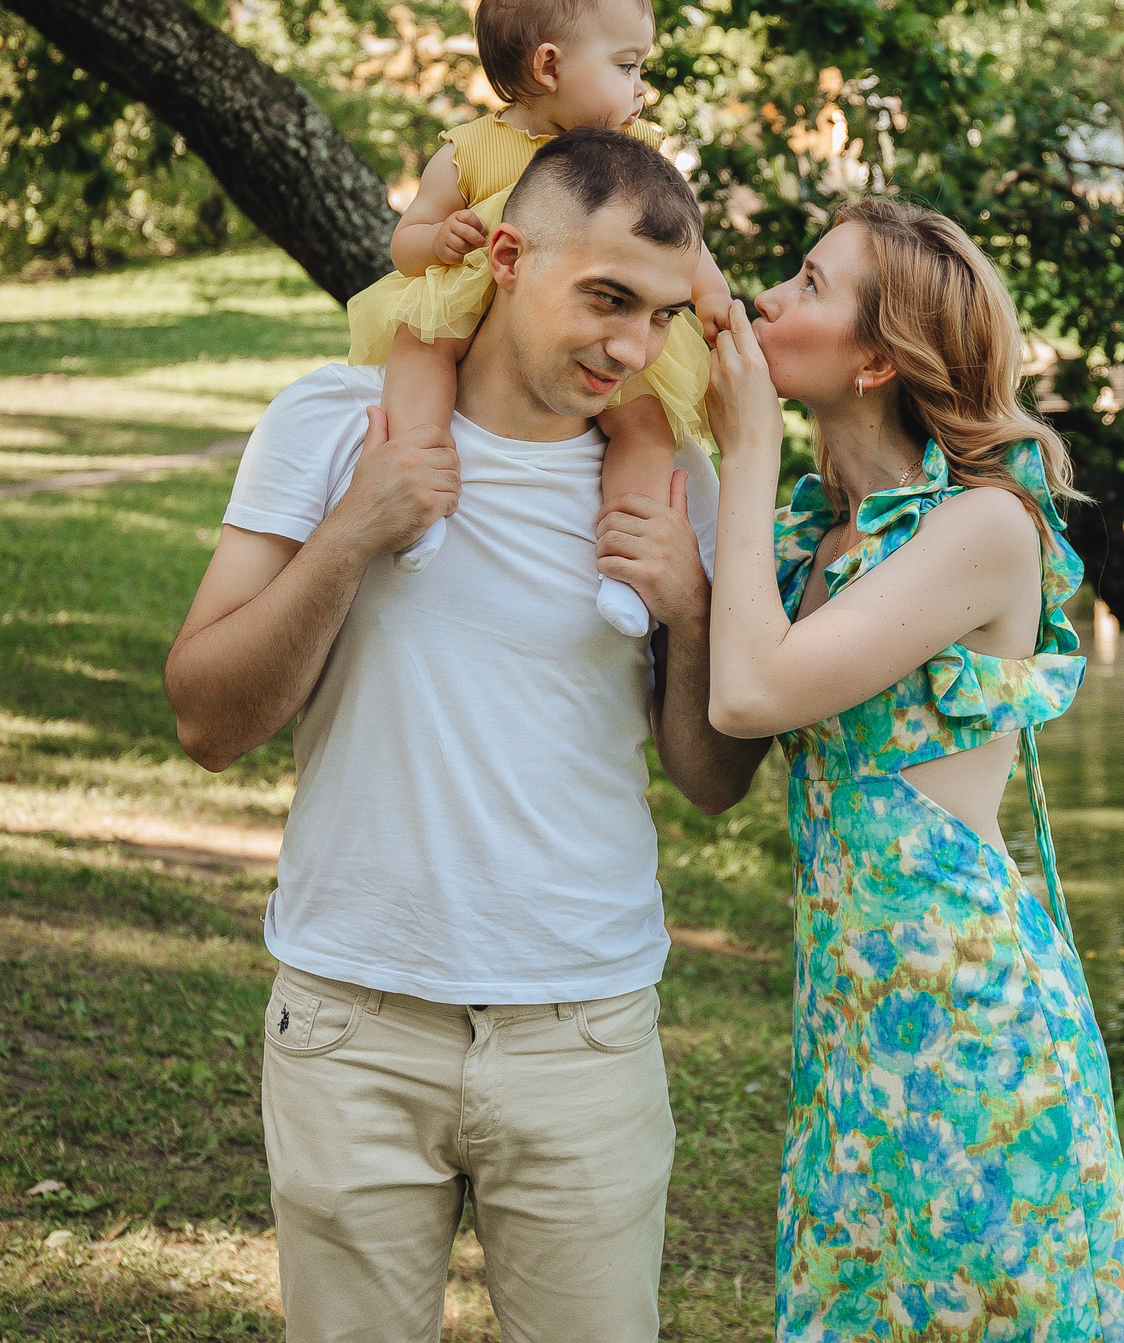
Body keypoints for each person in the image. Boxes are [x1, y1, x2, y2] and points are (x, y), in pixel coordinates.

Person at [163, 128, 768, 1343]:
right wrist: (354, 531)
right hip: (352, 1020)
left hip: (585, 1027)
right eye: (605, 298)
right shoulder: (333, 427)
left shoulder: (672, 487)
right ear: (501, 255)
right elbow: (207, 716)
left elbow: (708, 781)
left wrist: (691, 614)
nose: (630, 349)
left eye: (658, 316)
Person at [701, 197, 1124, 1340]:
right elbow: (715, 755)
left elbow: (751, 692)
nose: (771, 298)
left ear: (874, 358)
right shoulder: (817, 538)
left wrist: (745, 444)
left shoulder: (983, 527)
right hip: (854, 1023)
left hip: (969, 1022)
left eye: (809, 284)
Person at [347, 0, 733, 634]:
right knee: (420, 352)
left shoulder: (635, 158)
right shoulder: (470, 149)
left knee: (642, 424)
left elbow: (682, 246)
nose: (641, 89)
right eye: (625, 65)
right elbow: (405, 242)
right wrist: (438, 240)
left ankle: (628, 564)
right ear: (549, 66)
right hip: (471, 302)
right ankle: (421, 496)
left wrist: (712, 301)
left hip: (574, 327)